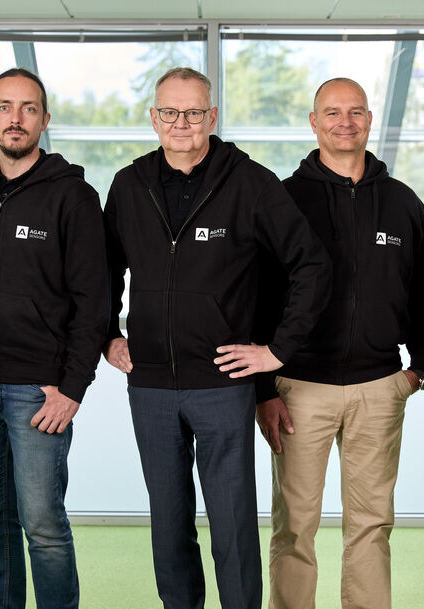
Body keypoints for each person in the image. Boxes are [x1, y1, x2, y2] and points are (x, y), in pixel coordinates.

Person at [102, 67, 329, 609]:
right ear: (154, 118)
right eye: (170, 113)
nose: (182, 123)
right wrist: (107, 335)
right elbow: (101, 272)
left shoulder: (250, 183)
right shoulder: (129, 185)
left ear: (213, 117)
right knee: (169, 521)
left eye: (194, 112)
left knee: (231, 523)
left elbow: (311, 264)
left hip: (223, 383)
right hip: (151, 382)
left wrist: (275, 351)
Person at [254, 77, 424, 609]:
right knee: (294, 528)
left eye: (355, 112)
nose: (344, 122)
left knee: (372, 525)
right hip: (298, 390)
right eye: (332, 113)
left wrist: (418, 369)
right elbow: (258, 298)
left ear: (370, 120)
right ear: (313, 123)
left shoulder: (403, 204)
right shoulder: (283, 200)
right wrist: (264, 388)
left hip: (380, 387)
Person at [0, 68, 108, 609]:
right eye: (5, 107)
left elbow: (94, 301)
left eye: (28, 108)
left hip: (39, 392)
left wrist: (72, 387)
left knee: (43, 525)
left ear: (44, 120)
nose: (16, 118)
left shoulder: (74, 197)